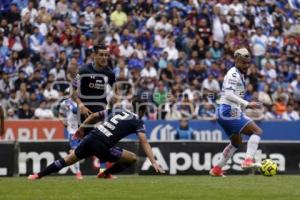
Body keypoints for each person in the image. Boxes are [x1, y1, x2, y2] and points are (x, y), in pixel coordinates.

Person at [28, 100, 165, 180]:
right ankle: (105, 173)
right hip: (102, 145)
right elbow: (144, 141)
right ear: (143, 110)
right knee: (133, 158)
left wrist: (81, 128)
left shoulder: (117, 110)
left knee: (68, 160)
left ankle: (37, 175)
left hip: (91, 137)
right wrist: (153, 161)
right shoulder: (137, 121)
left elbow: (94, 116)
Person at [210, 48, 263, 177]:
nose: (246, 65)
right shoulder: (233, 73)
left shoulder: (239, 74)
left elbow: (233, 96)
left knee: (236, 143)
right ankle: (248, 160)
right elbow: (228, 94)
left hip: (225, 111)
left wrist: (244, 108)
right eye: (243, 62)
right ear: (236, 60)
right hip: (228, 110)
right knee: (256, 132)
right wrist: (247, 103)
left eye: (247, 63)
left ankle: (216, 169)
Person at [59, 96, 83, 180]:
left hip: (84, 130)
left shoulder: (83, 100)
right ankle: (78, 172)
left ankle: (103, 171)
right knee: (75, 152)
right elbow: (73, 110)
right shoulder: (67, 102)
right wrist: (63, 121)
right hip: (73, 131)